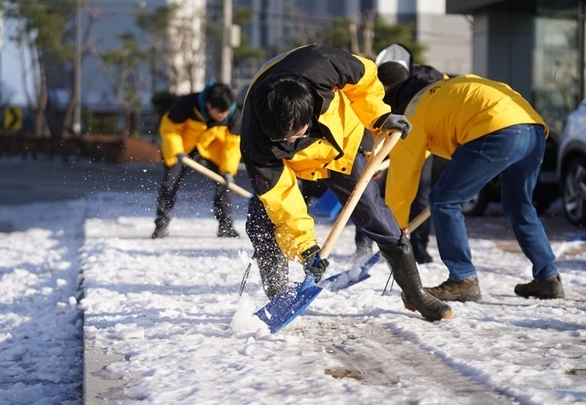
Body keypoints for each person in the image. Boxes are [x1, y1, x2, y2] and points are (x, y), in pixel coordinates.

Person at [240, 44, 453, 322]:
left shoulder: (325, 64)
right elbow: (283, 201)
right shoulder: (256, 142)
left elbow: (365, 81)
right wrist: (307, 249)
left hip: (341, 143)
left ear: (311, 111)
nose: (290, 141)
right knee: (264, 219)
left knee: (375, 214)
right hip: (293, 163)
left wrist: (380, 117)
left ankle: (415, 293)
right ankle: (280, 298)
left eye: (296, 133)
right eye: (283, 139)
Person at [383, 73, 564, 302]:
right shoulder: (445, 90)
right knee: (519, 206)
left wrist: (394, 227)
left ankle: (462, 279)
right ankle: (548, 278)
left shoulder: (411, 114)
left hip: (496, 130)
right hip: (534, 129)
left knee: (443, 201)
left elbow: (403, 174)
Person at [354, 60, 446, 263]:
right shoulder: (426, 81)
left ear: (386, 86)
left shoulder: (404, 97)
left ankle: (410, 245)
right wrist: (372, 157)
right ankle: (366, 246)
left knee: (379, 196)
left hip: (418, 143)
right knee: (377, 194)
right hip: (416, 143)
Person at [152, 81, 241, 239]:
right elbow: (169, 129)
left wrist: (228, 170)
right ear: (208, 105)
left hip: (213, 148)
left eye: (226, 111)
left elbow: (232, 145)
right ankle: (161, 224)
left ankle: (225, 225)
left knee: (226, 183)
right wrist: (177, 151)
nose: (224, 116)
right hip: (184, 148)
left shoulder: (233, 115)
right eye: (219, 112)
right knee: (170, 182)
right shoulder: (186, 105)